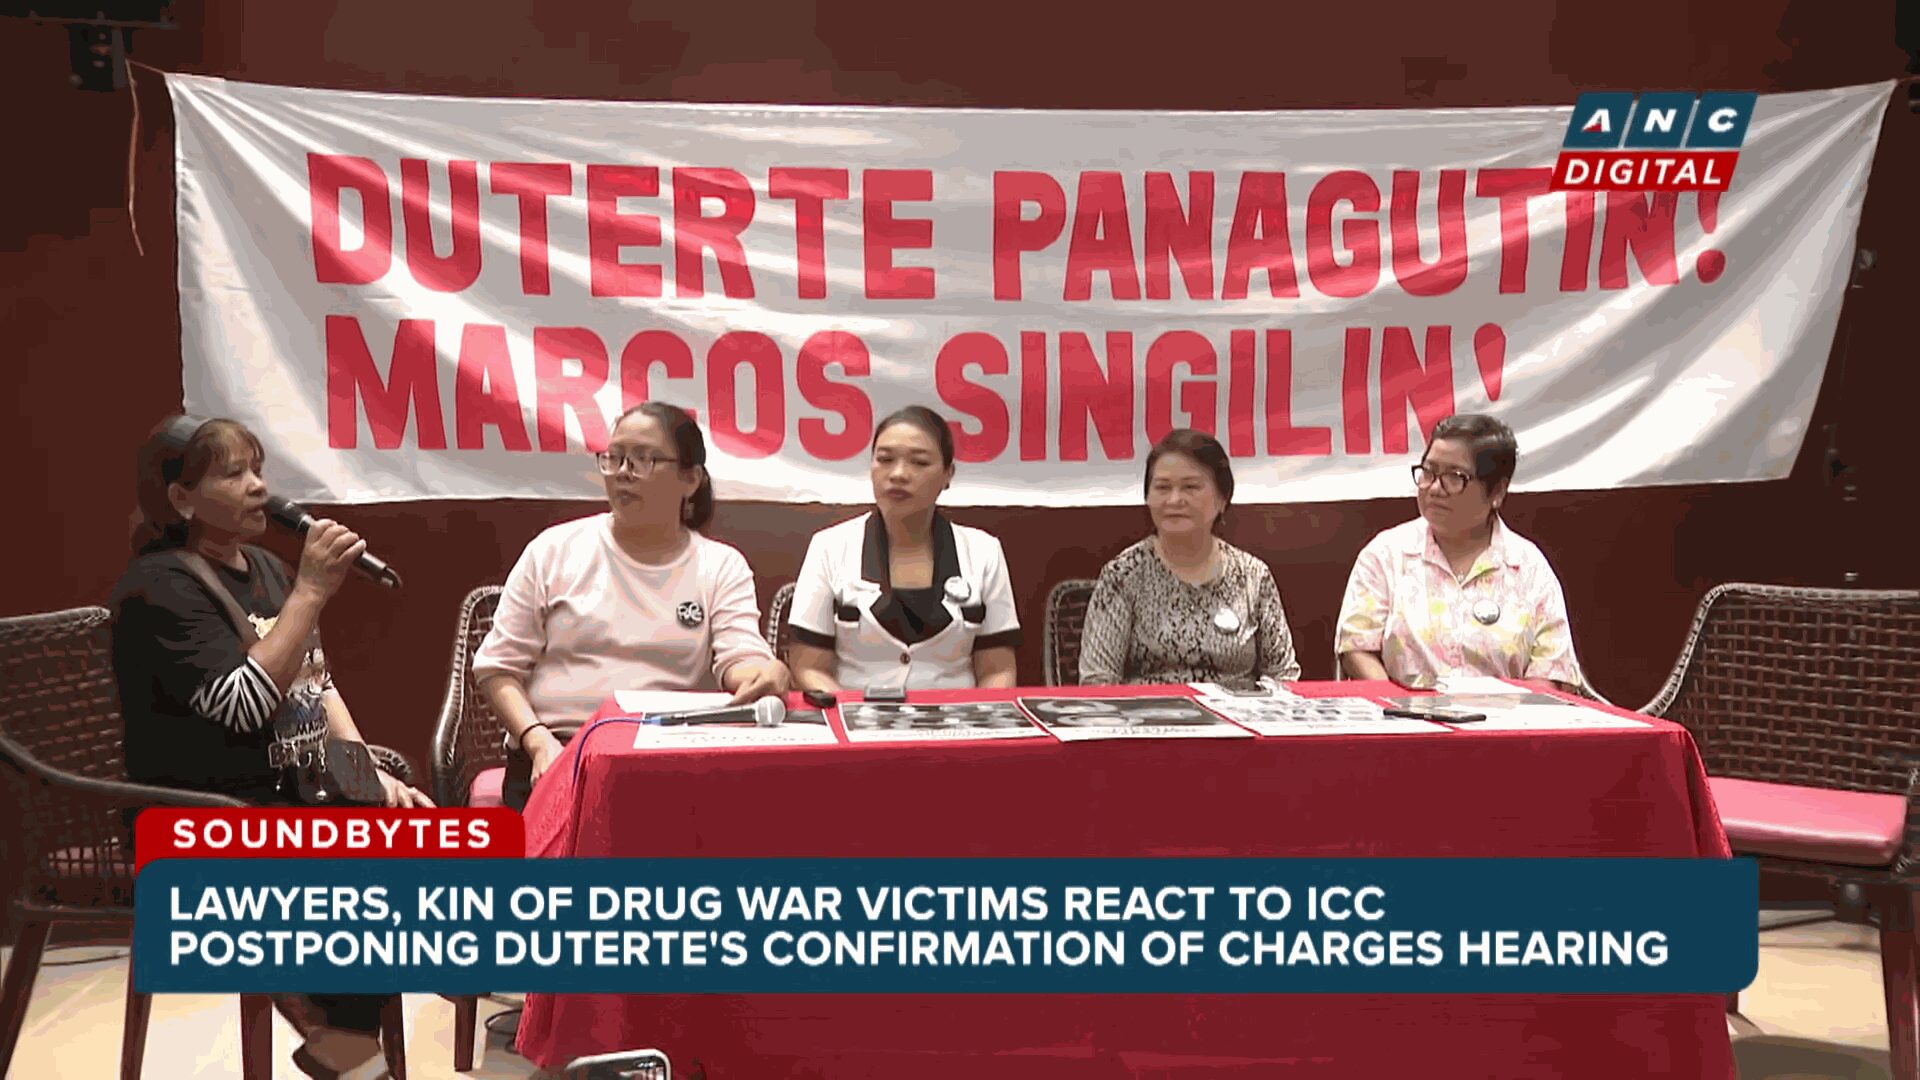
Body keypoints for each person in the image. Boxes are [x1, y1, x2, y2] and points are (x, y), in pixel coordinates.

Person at [109, 414, 426, 1080]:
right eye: (234, 473)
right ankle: (340, 1038)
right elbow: (244, 709)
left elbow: (314, 687)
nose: (259, 488)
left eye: (258, 470)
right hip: (200, 812)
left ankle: (344, 1034)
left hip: (285, 794)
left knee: (405, 831)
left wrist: (361, 772)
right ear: (181, 499)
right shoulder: (159, 589)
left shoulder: (266, 568)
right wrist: (311, 592)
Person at [474, 403, 789, 810]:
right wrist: (538, 742)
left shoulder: (720, 565)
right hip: (559, 749)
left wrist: (768, 673)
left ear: (690, 479)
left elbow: (739, 658)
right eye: (614, 457)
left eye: (644, 459)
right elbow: (498, 669)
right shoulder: (553, 550)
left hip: (670, 754)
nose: (624, 471)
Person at [1334, 413, 1584, 691]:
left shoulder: (1529, 568)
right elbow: (1357, 648)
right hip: (1406, 721)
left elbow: (1549, 670)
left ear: (1497, 492)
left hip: (1505, 726)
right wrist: (1398, 709)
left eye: (1455, 477)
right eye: (1428, 472)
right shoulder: (1385, 555)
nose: (1435, 488)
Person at [787, 406, 1021, 693]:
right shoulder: (829, 547)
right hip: (855, 723)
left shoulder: (984, 552)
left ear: (948, 474)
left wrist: (974, 727)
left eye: (919, 463)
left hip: (959, 724)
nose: (898, 474)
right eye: (884, 459)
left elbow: (998, 670)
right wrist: (854, 716)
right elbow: (808, 667)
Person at [1078, 429, 1301, 686]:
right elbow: (1098, 682)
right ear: (1147, 497)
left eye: (1190, 487)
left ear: (1222, 498)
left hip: (1237, 720)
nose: (1174, 500)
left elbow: (1284, 675)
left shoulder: (1253, 575)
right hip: (1148, 721)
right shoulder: (1123, 575)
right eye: (1162, 487)